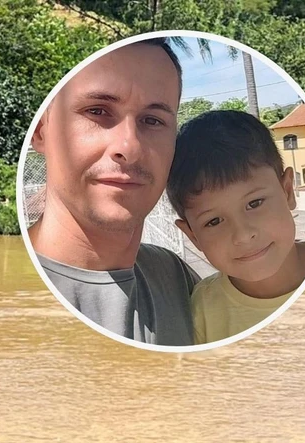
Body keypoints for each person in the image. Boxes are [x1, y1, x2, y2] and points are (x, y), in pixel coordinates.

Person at [27, 37, 200, 346]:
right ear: (41, 131)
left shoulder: (176, 279)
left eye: (153, 120)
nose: (129, 148)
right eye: (97, 111)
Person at [166, 110, 305, 344]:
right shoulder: (202, 314)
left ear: (287, 190)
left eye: (254, 203)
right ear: (192, 235)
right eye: (213, 221)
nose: (243, 235)